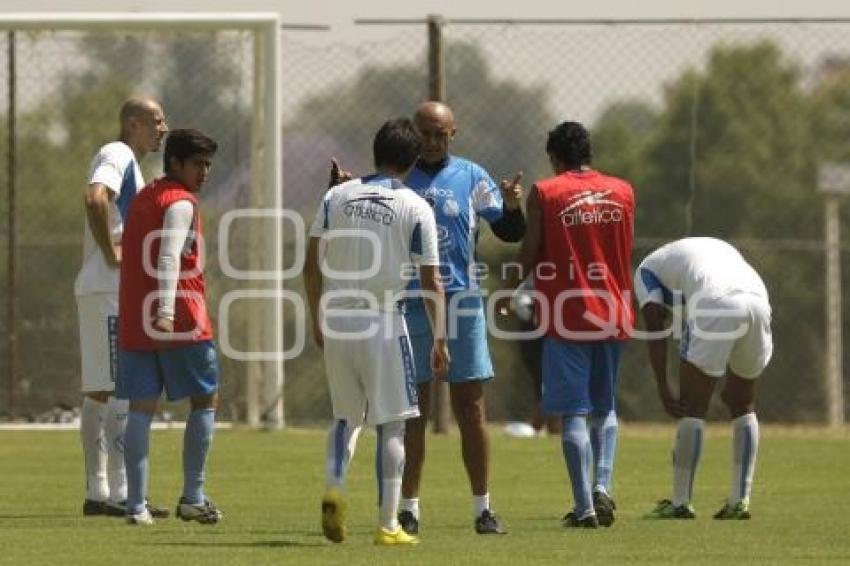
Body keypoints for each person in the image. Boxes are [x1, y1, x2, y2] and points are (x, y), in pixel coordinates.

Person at [305, 118, 450, 546]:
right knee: (393, 425)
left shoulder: (336, 195)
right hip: (385, 322)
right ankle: (389, 524)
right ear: (414, 159)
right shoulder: (416, 206)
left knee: (346, 417)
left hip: (338, 320)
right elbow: (432, 281)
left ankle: (335, 485)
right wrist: (440, 339)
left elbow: (310, 264)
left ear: (375, 152)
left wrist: (317, 316)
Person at [396, 101, 524, 536]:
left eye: (440, 133)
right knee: (412, 408)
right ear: (414, 134)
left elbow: (510, 231)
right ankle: (408, 509)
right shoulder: (399, 178)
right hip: (411, 300)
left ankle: (483, 509)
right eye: (425, 133)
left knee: (470, 407)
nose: (432, 141)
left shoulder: (472, 176)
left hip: (462, 301)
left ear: (454, 133)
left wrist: (511, 206)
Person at [500, 121, 635, 528]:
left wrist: (508, 290)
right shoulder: (624, 191)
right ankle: (603, 486)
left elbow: (530, 250)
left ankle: (585, 508)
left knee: (574, 412)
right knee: (604, 404)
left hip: (567, 313)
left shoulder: (547, 192)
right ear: (588, 154)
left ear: (556, 158)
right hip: (613, 308)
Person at [116, 128, 222, 526]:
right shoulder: (180, 202)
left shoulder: (145, 197)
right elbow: (167, 258)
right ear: (175, 163)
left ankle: (136, 506)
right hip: (179, 318)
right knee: (205, 399)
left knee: (141, 406)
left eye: (208, 164)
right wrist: (164, 308)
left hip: (134, 317)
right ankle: (193, 496)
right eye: (197, 163)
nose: (205, 171)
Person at [73, 96, 169, 518]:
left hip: (104, 290)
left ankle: (100, 492)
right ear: (133, 124)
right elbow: (95, 198)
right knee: (119, 389)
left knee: (102, 388)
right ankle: (121, 493)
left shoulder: (132, 162)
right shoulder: (118, 153)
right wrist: (112, 255)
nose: (163, 128)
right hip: (108, 288)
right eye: (157, 121)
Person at [636, 237, 772, 520]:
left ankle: (680, 502)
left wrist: (663, 386)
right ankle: (739, 501)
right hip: (758, 299)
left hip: (715, 301)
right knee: (743, 403)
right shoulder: (693, 253)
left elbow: (653, 325)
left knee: (692, 406)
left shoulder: (644, 272)